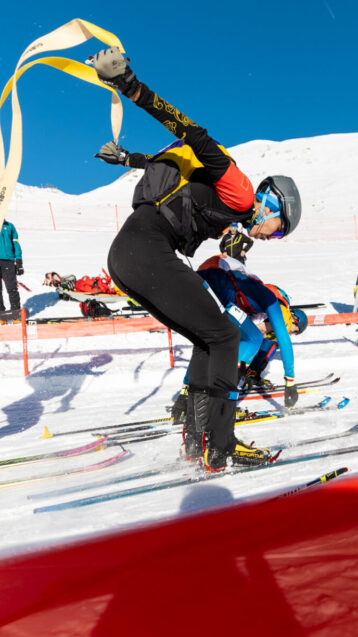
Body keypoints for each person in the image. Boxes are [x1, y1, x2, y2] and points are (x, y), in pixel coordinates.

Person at [91, 47, 301, 473]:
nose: (273, 237)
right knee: (225, 338)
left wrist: (127, 160)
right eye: (279, 228)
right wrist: (131, 87)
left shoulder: (229, 211)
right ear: (271, 203)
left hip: (130, 255)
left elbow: (172, 169)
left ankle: (196, 438)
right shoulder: (240, 190)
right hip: (147, 250)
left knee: (209, 338)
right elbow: (193, 135)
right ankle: (221, 445)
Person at [170, 254, 307, 438]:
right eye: (291, 330)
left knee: (214, 343)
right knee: (253, 339)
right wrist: (290, 382)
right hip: (216, 282)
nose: (276, 334)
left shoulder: (255, 300)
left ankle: (187, 397)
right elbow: (283, 339)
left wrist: (185, 391)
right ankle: (220, 407)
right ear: (291, 318)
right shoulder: (272, 303)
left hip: (204, 283)